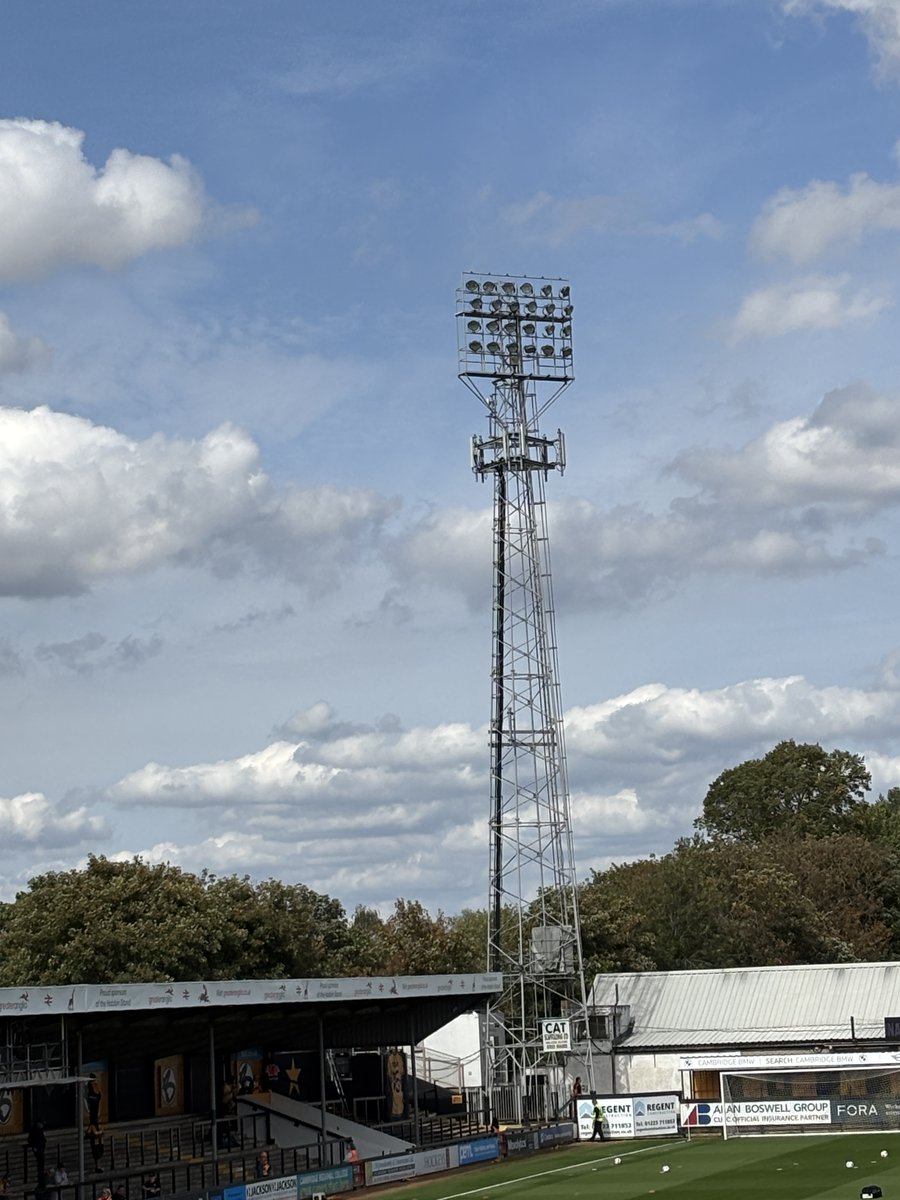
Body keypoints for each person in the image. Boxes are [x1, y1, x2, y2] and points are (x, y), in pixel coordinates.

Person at [28, 1120, 47, 1186]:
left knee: (41, 1162)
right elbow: (30, 1140)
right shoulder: (34, 1131)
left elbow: (43, 1140)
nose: (42, 1126)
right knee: (40, 1162)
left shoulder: (40, 1130)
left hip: (41, 1148)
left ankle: (41, 1175)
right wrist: (33, 1146)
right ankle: (40, 1176)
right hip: (37, 1148)